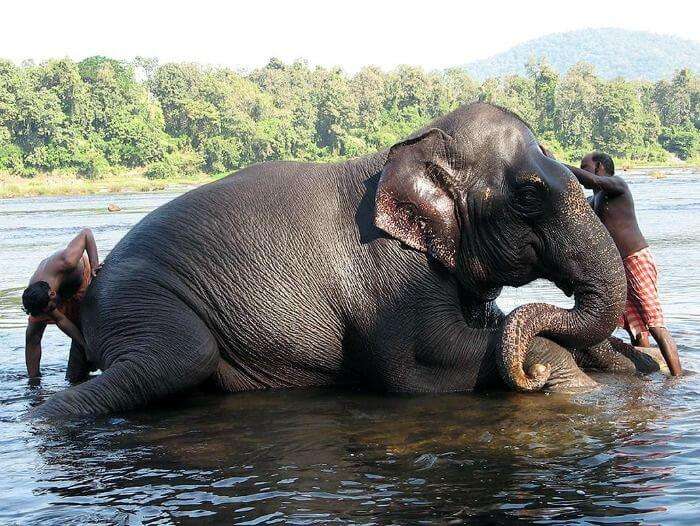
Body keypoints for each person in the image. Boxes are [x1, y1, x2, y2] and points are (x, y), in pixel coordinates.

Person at [541, 147, 682, 376]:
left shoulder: (617, 185)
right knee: (634, 324)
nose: (583, 171)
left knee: (655, 324)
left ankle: (676, 378)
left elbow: (588, 179)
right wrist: (551, 164)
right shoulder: (595, 198)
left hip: (635, 259)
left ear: (599, 168)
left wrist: (556, 165)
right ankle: (646, 373)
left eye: (585, 166)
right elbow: (570, 198)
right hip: (618, 266)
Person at [22, 228, 102, 378]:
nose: (51, 313)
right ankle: (33, 378)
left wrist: (94, 264)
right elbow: (61, 320)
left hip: (80, 283)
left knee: (90, 326)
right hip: (56, 296)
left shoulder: (67, 261)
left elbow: (86, 234)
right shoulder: (36, 299)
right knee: (32, 334)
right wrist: (85, 346)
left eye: (51, 309)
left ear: (52, 295)